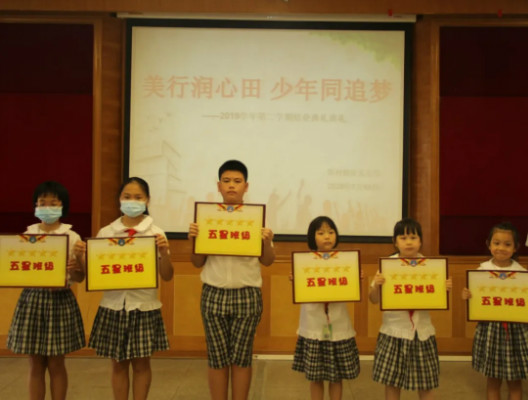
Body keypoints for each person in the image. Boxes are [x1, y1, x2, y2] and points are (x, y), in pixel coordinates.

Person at [188, 160, 275, 400]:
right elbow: (197, 262)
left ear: (246, 186)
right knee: (217, 358)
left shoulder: (256, 219)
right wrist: (193, 240)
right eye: (226, 181)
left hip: (247, 294)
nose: (231, 186)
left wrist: (267, 242)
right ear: (218, 186)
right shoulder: (205, 218)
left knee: (241, 358)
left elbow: (268, 261)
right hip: (213, 293)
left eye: (237, 181)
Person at [88, 177, 174, 400]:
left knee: (142, 365)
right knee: (118, 364)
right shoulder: (106, 233)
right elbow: (96, 273)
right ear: (119, 199)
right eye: (127, 197)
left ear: (147, 200)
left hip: (144, 306)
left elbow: (167, 275)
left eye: (138, 197)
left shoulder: (157, 234)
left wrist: (164, 254)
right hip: (113, 306)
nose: (132, 201)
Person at [7, 181, 86, 400]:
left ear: (63, 206)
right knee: (34, 362)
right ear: (35, 206)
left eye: (53, 203)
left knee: (56, 362)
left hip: (60, 300)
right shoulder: (27, 235)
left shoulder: (72, 236)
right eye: (42, 203)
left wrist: (77, 265)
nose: (47, 207)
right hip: (32, 300)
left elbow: (80, 278)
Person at [369, 218, 452, 400]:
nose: (408, 242)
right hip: (393, 332)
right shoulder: (387, 266)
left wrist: (443, 288)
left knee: (426, 383)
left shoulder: (430, 267)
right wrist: (377, 286)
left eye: (413, 237)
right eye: (403, 237)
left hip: (421, 333)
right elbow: (373, 299)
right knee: (392, 383)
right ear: (395, 242)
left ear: (420, 241)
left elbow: (437, 299)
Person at [292, 216, 360, 400]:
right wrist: (296, 280)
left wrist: (355, 279)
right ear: (312, 237)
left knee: (336, 377)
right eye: (321, 233)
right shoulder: (304, 262)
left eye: (331, 232)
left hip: (338, 325)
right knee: (315, 377)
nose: (327, 236)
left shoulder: (345, 262)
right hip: (313, 324)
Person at [462, 222, 528, 400]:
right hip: (490, 330)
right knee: (493, 380)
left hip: (516, 332)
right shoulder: (481, 270)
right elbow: (474, 299)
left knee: (515, 380)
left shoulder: (521, 273)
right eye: (496, 243)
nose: (501, 248)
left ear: (516, 247)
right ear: (488, 244)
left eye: (507, 244)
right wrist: (467, 295)